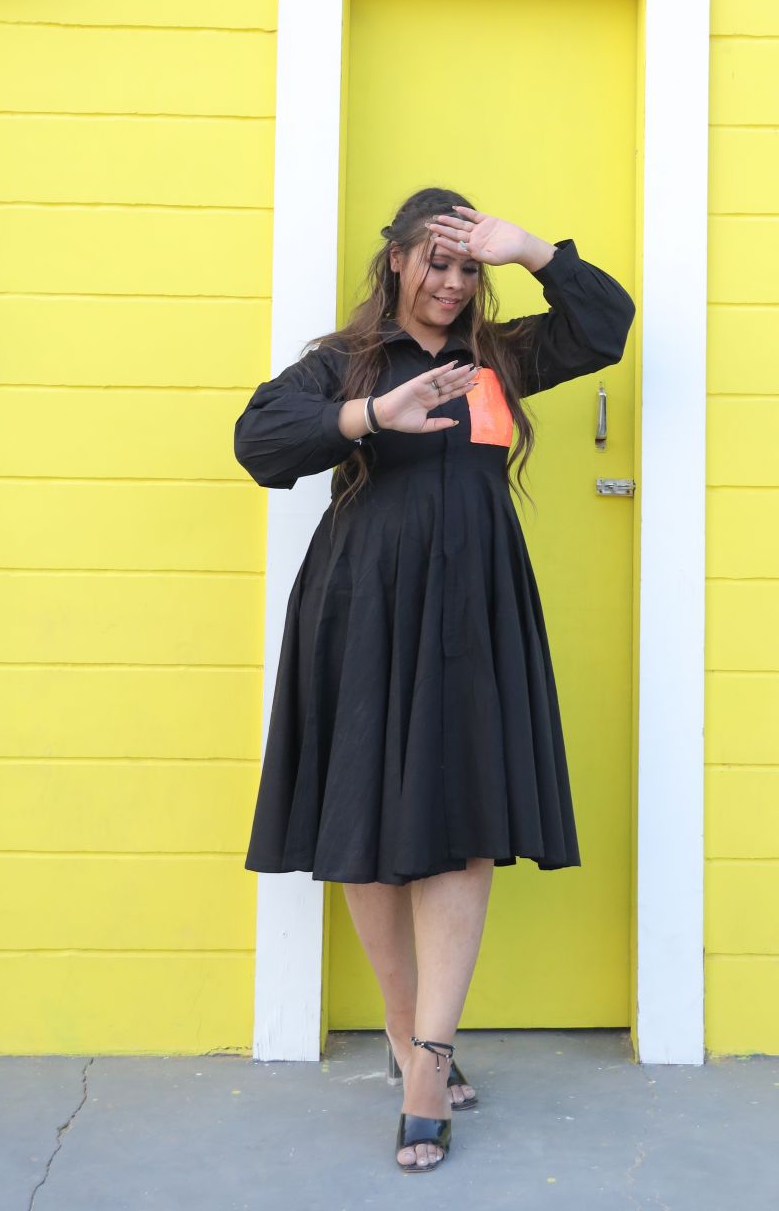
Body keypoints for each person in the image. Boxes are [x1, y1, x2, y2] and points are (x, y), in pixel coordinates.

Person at [232, 186, 635, 1173]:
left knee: (463, 816)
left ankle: (431, 1057)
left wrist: (530, 249)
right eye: (435, 261)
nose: (451, 282)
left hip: (474, 609)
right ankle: (407, 1036)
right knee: (368, 822)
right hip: (364, 604)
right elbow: (259, 438)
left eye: (466, 266)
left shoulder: (499, 356)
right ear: (397, 260)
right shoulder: (345, 360)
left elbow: (605, 325)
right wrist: (373, 412)